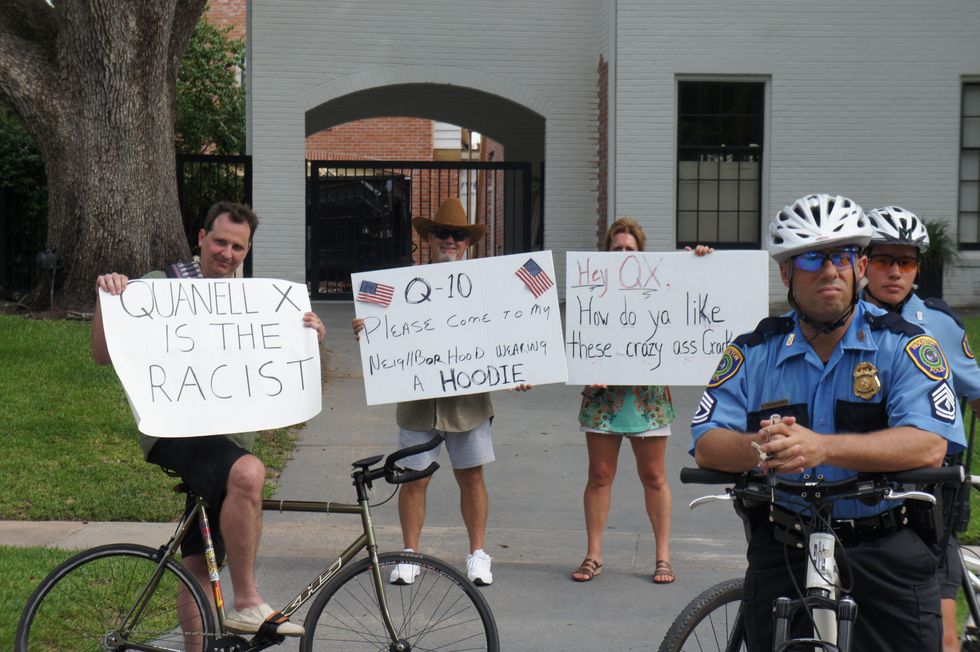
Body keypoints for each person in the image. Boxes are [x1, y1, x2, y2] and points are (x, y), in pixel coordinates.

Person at [690, 193, 966, 651]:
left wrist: (823, 448)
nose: (829, 269)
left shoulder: (906, 346)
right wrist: (761, 448)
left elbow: (928, 444)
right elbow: (707, 442)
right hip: (786, 541)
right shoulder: (753, 351)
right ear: (786, 272)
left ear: (859, 267)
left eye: (842, 255)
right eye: (812, 257)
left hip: (884, 542)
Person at [92, 202, 326, 638]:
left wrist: (305, 337)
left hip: (227, 440)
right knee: (250, 473)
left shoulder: (253, 302)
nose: (227, 253)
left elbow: (282, 365)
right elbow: (103, 355)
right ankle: (249, 602)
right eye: (220, 241)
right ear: (200, 237)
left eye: (238, 247)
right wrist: (108, 298)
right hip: (175, 433)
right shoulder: (159, 287)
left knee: (199, 563)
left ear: (247, 250)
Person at [353, 197, 528, 587]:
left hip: (469, 402)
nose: (450, 240)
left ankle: (477, 554)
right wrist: (368, 331)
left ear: (468, 243)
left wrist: (522, 365)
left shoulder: (487, 287)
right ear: (429, 238)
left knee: (472, 477)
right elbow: (384, 329)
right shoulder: (401, 286)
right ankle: (409, 554)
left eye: (458, 235)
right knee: (414, 478)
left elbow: (511, 332)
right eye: (442, 233)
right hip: (419, 402)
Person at [861, 205, 980, 652]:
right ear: (863, 262)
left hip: (932, 482)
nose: (895, 272)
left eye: (906, 262)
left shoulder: (940, 324)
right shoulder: (839, 317)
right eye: (883, 260)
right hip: (865, 475)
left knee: (937, 629)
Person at [571, 217, 711, 584]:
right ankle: (594, 555)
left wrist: (701, 262)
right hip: (604, 396)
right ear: (606, 253)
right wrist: (588, 366)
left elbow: (694, 296)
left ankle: (662, 557)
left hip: (647, 395)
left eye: (629, 249)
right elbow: (582, 337)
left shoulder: (659, 284)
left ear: (641, 254)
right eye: (616, 249)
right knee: (599, 475)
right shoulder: (592, 287)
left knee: (654, 475)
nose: (622, 255)